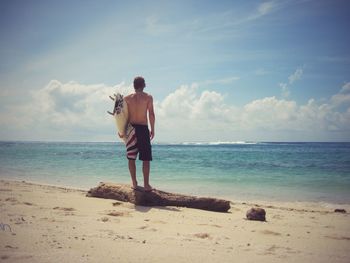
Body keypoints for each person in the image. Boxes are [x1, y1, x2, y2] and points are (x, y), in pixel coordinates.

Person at [121, 76, 155, 192]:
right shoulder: (148, 97)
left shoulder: (126, 99)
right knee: (146, 158)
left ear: (134, 86)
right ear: (144, 85)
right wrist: (153, 129)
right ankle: (146, 185)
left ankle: (134, 183)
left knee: (131, 158)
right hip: (142, 129)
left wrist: (121, 130)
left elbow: (122, 116)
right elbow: (151, 114)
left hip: (130, 129)